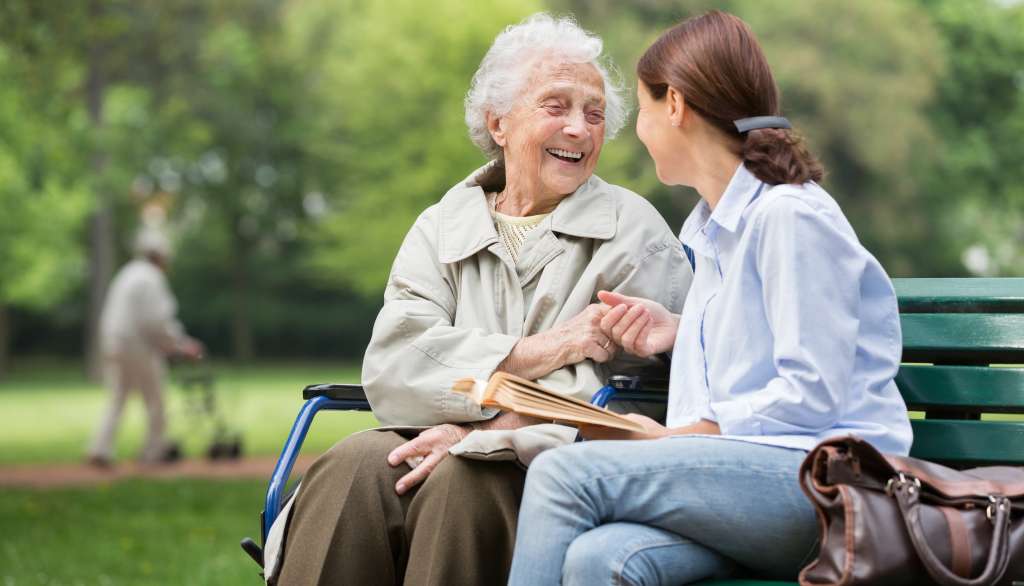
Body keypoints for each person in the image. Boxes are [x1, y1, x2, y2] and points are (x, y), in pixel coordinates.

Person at [270, 13, 692, 586]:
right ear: (499, 122)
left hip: (553, 462)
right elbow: (394, 363)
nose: (579, 129)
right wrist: (540, 351)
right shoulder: (441, 225)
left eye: (594, 114)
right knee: (350, 466)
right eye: (556, 106)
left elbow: (645, 397)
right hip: (433, 430)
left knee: (461, 481)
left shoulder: (634, 231)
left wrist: (486, 434)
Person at [507, 11, 914, 586]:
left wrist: (685, 437)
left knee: (561, 475)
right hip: (757, 491)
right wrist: (679, 330)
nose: (640, 130)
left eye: (644, 112)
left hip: (826, 490)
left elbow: (813, 391)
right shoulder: (716, 230)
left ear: (674, 105)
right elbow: (766, 347)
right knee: (600, 560)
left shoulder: (788, 216)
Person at [86, 228, 203, 468]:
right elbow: (157, 321)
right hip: (137, 346)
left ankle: (100, 448)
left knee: (117, 397)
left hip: (113, 343)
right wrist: (182, 345)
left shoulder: (128, 272)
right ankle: (154, 451)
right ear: (161, 256)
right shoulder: (151, 278)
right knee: (156, 398)